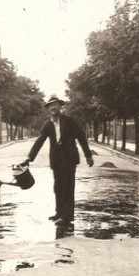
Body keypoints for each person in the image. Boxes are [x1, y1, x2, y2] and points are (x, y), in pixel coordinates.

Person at [21, 94, 94, 226]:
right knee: (58, 187)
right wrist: (29, 158)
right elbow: (39, 141)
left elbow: (81, 136)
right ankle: (59, 213)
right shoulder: (47, 125)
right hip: (56, 160)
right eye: (51, 105)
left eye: (56, 104)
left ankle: (67, 217)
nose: (53, 107)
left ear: (60, 106)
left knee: (67, 187)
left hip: (69, 158)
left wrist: (88, 155)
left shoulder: (69, 121)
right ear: (48, 108)